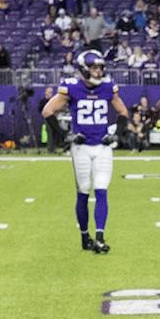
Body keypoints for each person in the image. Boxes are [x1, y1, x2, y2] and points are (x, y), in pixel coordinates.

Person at [40, 48, 128, 253]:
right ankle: (84, 236)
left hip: (102, 146)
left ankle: (99, 237)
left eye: (100, 68)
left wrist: (118, 133)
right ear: (84, 69)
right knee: (83, 192)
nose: (98, 72)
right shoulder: (71, 88)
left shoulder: (107, 87)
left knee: (102, 190)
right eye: (94, 68)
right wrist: (64, 135)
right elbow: (47, 112)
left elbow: (123, 111)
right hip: (80, 147)